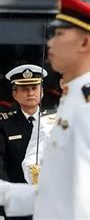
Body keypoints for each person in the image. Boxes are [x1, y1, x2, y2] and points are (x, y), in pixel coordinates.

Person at [0, 0, 90, 219]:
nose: (50, 42)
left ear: (85, 43)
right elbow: (60, 191)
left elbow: (88, 199)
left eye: (59, 34)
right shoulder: (75, 99)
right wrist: (6, 194)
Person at [0, 64, 48, 220]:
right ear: (15, 94)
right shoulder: (5, 125)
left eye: (34, 88)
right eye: (24, 89)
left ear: (42, 92)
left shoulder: (55, 122)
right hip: (18, 204)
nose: (30, 93)